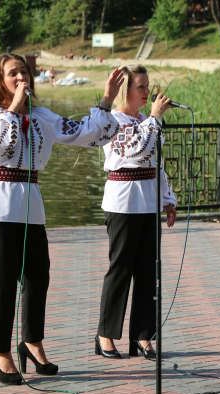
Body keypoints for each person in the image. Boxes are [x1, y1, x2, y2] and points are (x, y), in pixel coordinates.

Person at [0, 54, 124, 384]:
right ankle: (0, 352)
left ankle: (32, 341)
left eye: (24, 71)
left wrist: (108, 98)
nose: (20, 77)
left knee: (37, 277)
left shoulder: (43, 117)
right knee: (2, 283)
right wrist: (13, 107)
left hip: (30, 206)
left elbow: (88, 133)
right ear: (1, 81)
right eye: (12, 73)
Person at [95, 64, 177, 359]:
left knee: (148, 271)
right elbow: (135, 151)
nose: (147, 92)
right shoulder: (113, 120)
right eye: (141, 87)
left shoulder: (144, 119)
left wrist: (168, 198)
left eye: (147, 86)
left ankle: (143, 336)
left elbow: (156, 161)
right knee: (121, 268)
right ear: (125, 91)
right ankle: (105, 334)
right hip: (123, 202)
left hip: (148, 201)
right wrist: (155, 119)